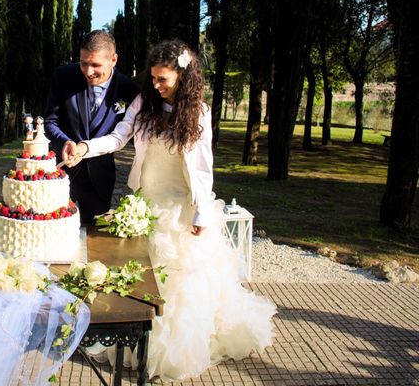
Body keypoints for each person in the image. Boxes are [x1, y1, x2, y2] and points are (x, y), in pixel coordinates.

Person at [65, 39, 277, 381]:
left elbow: (203, 169)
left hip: (180, 209)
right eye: (153, 78)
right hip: (145, 205)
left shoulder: (199, 114)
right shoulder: (143, 103)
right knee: (135, 278)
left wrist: (201, 212)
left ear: (183, 76)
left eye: (163, 79)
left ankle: (170, 349)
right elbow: (118, 137)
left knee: (178, 283)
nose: (156, 85)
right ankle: (132, 337)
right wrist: (85, 147)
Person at [44, 30, 139, 225]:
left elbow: (121, 134)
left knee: (92, 240)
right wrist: (64, 142)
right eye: (83, 63)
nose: (88, 71)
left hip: (99, 179)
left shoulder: (128, 90)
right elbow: (50, 122)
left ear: (113, 59)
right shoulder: (64, 77)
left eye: (95, 65)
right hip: (62, 174)